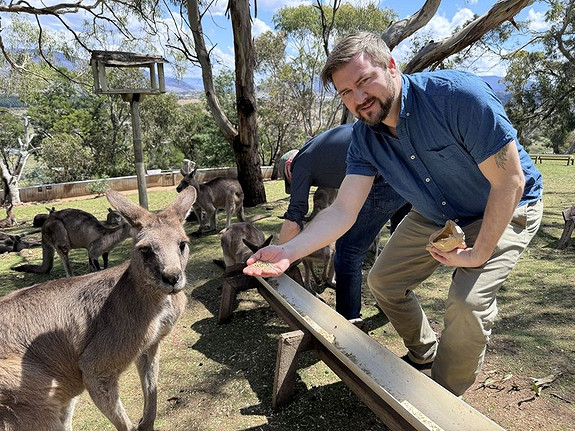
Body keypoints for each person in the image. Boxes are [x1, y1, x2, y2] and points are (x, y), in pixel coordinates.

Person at [244, 32, 543, 396]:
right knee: (383, 281)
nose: (358, 100)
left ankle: (441, 401)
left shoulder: (456, 97)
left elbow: (510, 180)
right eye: (345, 93)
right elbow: (343, 209)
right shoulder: (365, 138)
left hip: (504, 203)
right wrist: (289, 251)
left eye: (364, 81)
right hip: (436, 213)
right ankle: (423, 353)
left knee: (467, 304)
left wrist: (477, 254)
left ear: (391, 66)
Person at [277, 124, 411, 320]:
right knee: (398, 247)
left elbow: (293, 221)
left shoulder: (299, 162)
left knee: (348, 252)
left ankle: (349, 323)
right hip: (406, 173)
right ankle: (394, 303)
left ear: (288, 167)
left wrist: (281, 257)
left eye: (289, 179)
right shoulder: (320, 149)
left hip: (384, 179)